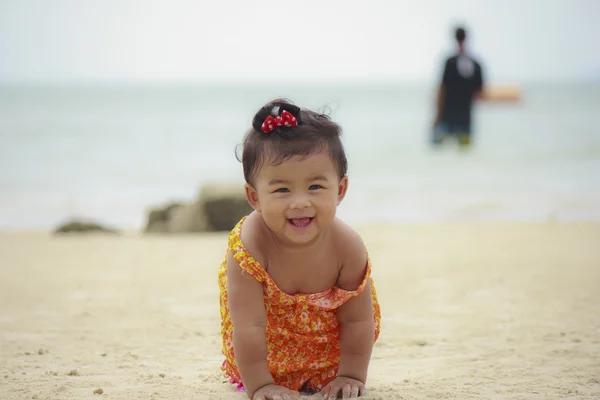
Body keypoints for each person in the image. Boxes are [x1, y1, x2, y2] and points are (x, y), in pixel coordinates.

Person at [218, 99, 382, 400]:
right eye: (281, 190)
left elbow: (358, 321)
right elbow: (248, 325)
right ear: (254, 197)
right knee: (251, 337)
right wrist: (260, 385)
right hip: (260, 359)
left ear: (340, 190)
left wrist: (350, 376)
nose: (299, 202)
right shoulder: (250, 245)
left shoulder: (347, 248)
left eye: (316, 187)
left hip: (328, 363)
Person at [432, 25, 485, 149]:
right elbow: (480, 93)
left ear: (455, 38)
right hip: (466, 119)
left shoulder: (449, 62)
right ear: (467, 38)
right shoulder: (476, 64)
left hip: (446, 117)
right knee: (464, 155)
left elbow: (442, 90)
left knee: (437, 152)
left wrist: (437, 117)